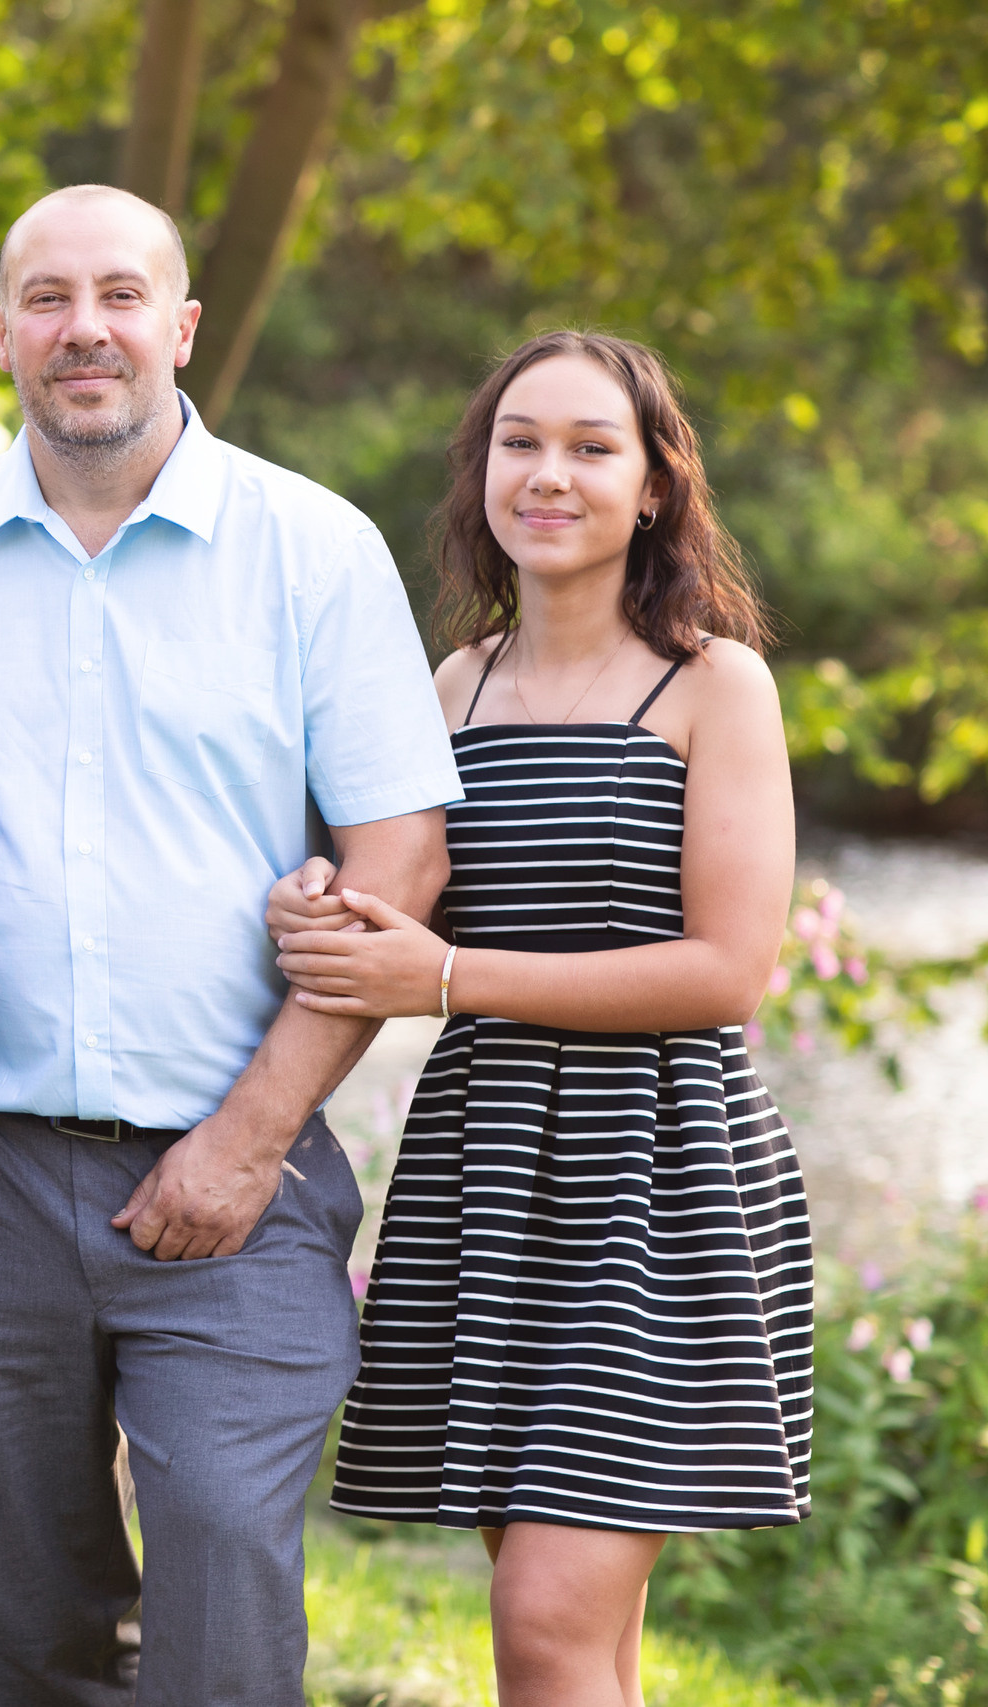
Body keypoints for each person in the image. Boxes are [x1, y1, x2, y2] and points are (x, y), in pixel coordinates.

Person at [0, 182, 464, 1705]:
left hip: (241, 1159)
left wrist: (251, 1137)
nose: (86, 329)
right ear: (0, 331)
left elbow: (401, 853)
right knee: (15, 1612)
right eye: (48, 298)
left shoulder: (312, 549)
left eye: (121, 295)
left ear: (180, 325)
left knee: (218, 1546)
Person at [289, 330, 813, 1705]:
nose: (551, 474)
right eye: (522, 441)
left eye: (593, 447)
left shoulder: (714, 684)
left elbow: (724, 971)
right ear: (482, 473)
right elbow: (411, 913)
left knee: (546, 1614)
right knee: (572, 1632)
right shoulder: (451, 686)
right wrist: (321, 901)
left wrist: (450, 980)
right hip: (492, 1170)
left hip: (659, 1173)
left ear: (653, 487)